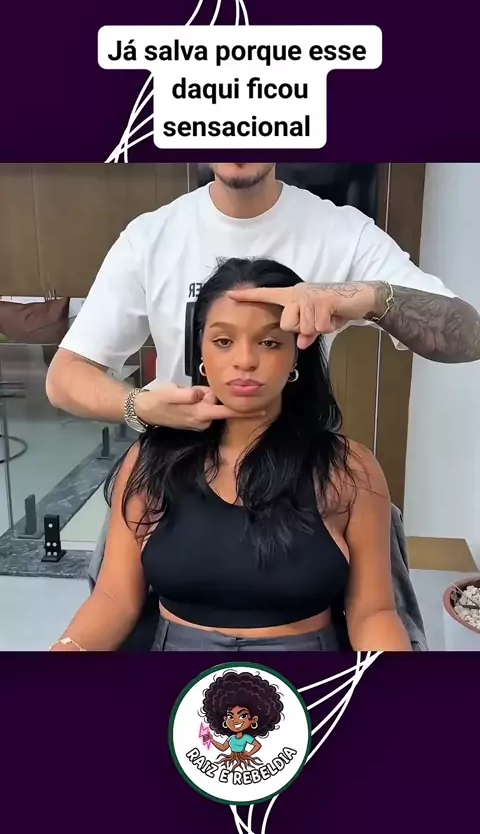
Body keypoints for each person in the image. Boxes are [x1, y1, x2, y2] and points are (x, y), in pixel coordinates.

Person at [48, 258, 412, 652]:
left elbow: (373, 613)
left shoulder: (348, 469)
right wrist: (63, 655)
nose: (245, 360)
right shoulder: (152, 459)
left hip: (305, 672)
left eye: (269, 342)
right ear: (201, 351)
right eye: (224, 341)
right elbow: (114, 599)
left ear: (296, 355)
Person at [46, 162, 480, 437]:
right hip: (176, 470)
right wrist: (138, 406)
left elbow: (468, 336)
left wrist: (363, 296)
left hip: (297, 471)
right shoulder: (149, 238)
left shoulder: (344, 233)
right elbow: (65, 378)